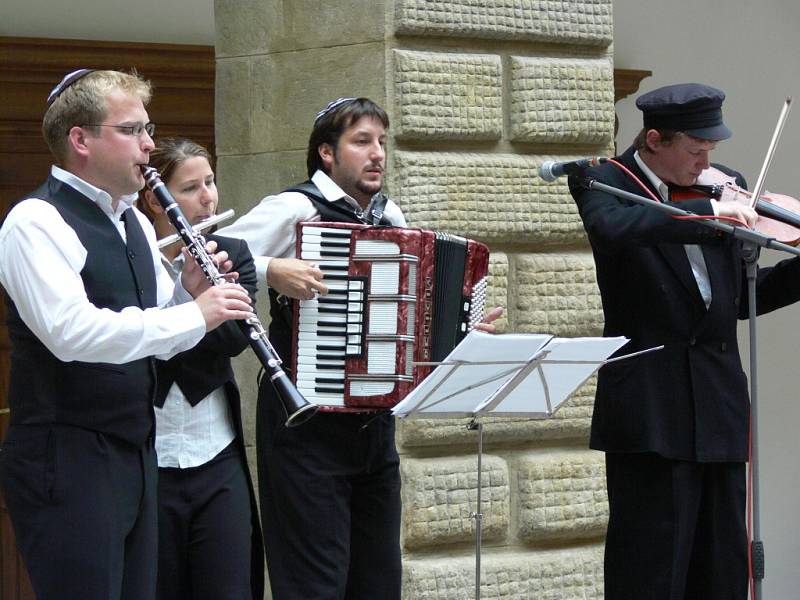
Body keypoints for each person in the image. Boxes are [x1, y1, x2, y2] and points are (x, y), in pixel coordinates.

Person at [219, 97, 501, 599]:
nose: (377, 154)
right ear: (326, 153)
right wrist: (269, 269)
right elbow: (207, 255)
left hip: (374, 428)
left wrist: (460, 334)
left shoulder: (389, 213)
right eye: (362, 141)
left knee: (376, 581)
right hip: (304, 425)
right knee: (314, 584)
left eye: (382, 143)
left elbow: (410, 313)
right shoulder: (295, 208)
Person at [0, 69, 253, 600]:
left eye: (148, 127)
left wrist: (189, 294)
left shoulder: (134, 223)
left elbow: (164, 335)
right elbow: (71, 333)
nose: (149, 144)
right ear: (81, 140)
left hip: (136, 453)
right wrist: (196, 313)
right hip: (66, 456)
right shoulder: (35, 221)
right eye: (132, 130)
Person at [568, 82, 800, 600]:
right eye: (696, 151)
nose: (706, 165)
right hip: (651, 410)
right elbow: (616, 228)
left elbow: (738, 303)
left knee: (720, 572)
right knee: (651, 571)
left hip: (718, 407)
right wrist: (706, 218)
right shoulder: (604, 179)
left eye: (710, 152)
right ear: (655, 140)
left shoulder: (725, 186)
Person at [139, 138, 264, 600]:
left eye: (210, 182)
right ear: (157, 198)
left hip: (216, 454)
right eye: (191, 187)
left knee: (228, 586)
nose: (209, 197)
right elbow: (131, 346)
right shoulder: (132, 260)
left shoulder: (233, 253)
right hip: (149, 457)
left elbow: (235, 339)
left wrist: (203, 299)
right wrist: (191, 305)